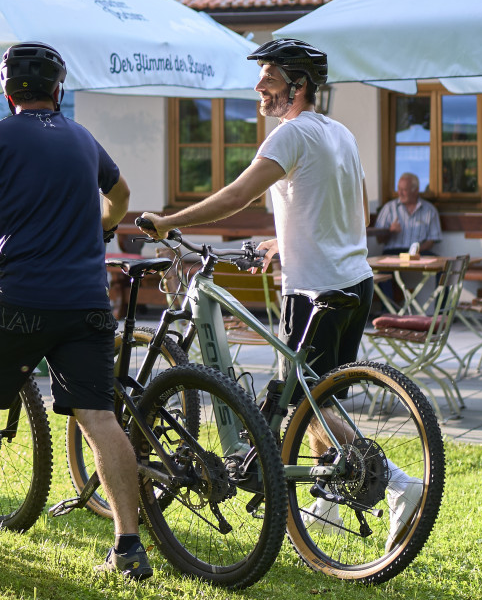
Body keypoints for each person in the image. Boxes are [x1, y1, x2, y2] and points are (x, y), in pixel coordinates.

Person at [134, 36, 425, 548]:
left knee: (304, 402)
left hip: (314, 290)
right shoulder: (340, 133)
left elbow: (237, 195)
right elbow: (343, 206)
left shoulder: (289, 137)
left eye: (267, 79)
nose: (258, 88)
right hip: (353, 282)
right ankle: (321, 494)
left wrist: (168, 221)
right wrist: (281, 239)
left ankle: (399, 485)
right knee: (314, 394)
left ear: (298, 85)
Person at [0, 43, 149, 580]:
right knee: (98, 416)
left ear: (7, 90)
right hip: (88, 302)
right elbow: (122, 195)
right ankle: (128, 547)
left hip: (22, 299)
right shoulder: (84, 138)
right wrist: (102, 227)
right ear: (58, 89)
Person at [371, 172, 442, 254]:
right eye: (399, 189)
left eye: (404, 190)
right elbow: (378, 240)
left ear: (416, 190)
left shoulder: (429, 210)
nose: (400, 193)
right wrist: (389, 231)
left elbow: (431, 241)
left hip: (419, 253)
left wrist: (413, 252)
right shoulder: (389, 208)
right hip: (393, 253)